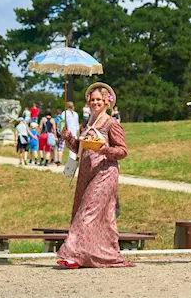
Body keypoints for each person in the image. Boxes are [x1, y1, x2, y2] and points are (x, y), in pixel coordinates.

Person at [57, 82, 133, 269]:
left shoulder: (111, 123)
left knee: (87, 213)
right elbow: (79, 149)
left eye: (99, 99)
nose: (95, 102)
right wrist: (68, 137)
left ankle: (72, 254)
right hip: (86, 173)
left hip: (105, 173)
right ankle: (95, 255)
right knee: (100, 216)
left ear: (107, 102)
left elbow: (123, 151)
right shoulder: (87, 124)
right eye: (92, 100)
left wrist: (104, 149)